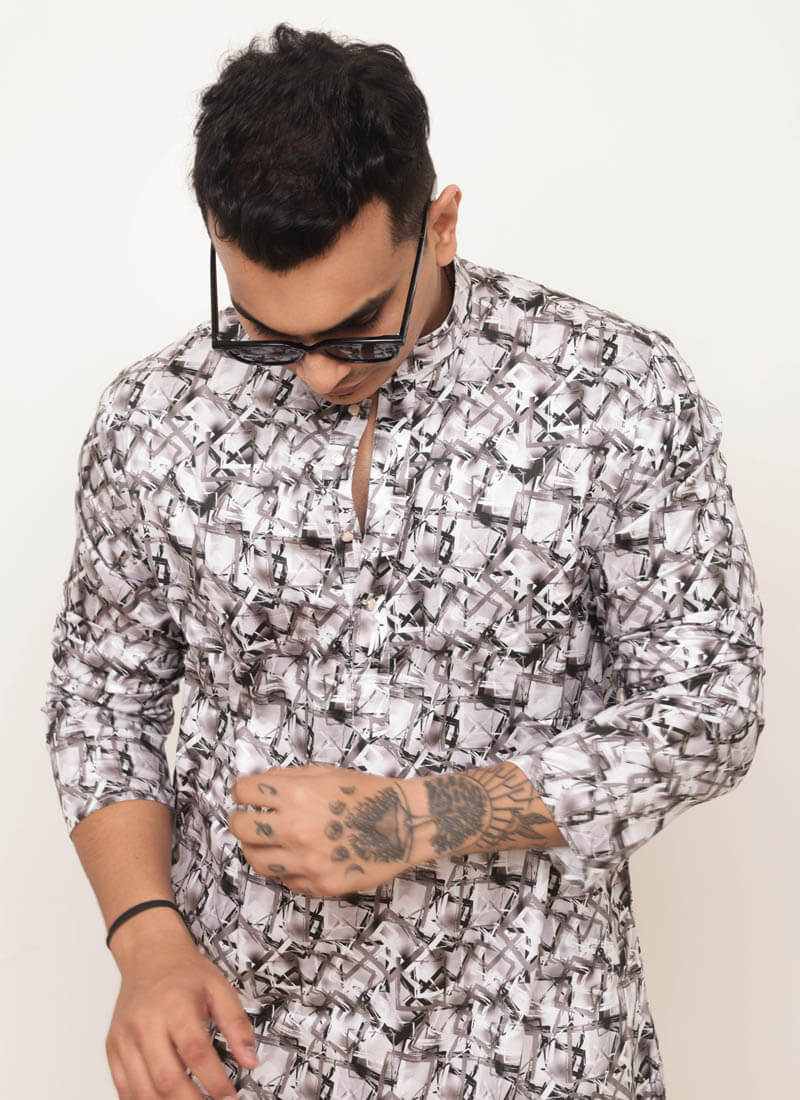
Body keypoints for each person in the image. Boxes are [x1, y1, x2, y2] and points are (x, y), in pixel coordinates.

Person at [43, 22, 764, 1100]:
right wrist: (145, 940)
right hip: (245, 1042)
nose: (317, 375)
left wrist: (417, 820)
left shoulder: (613, 392)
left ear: (441, 225)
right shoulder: (154, 418)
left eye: (360, 329)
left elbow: (707, 708)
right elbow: (104, 700)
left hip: (534, 1041)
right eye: (265, 333)